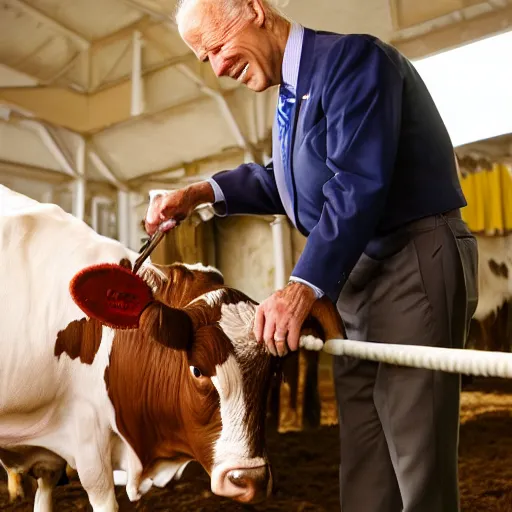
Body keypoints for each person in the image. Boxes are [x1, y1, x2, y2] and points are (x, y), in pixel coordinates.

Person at [144, 0, 478, 510]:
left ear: (254, 9)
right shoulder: (291, 97)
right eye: (203, 58)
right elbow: (284, 181)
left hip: (411, 258)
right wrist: (199, 193)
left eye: (215, 46)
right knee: (364, 449)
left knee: (415, 448)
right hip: (355, 276)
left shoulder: (354, 61)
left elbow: (357, 181)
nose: (216, 67)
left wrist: (303, 285)